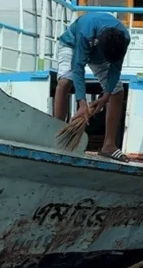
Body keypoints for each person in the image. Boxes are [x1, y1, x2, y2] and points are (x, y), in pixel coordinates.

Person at [53, 12, 131, 160]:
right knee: (65, 82)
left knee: (117, 92)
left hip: (102, 55)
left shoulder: (123, 38)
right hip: (72, 45)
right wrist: (82, 103)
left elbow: (115, 69)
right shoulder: (86, 31)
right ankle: (55, 135)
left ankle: (109, 146)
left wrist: (105, 97)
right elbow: (78, 67)